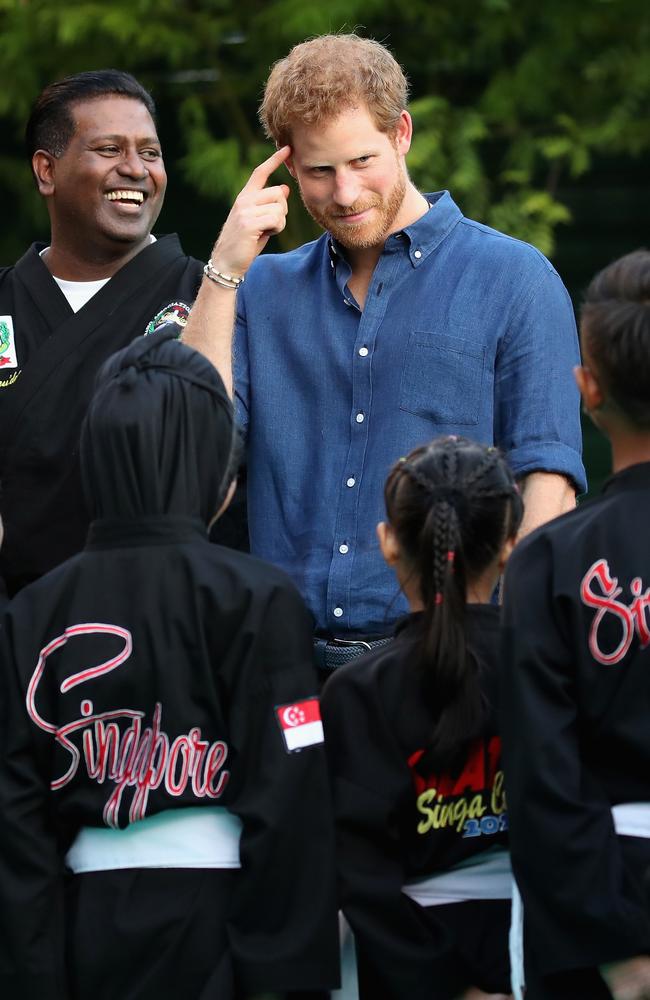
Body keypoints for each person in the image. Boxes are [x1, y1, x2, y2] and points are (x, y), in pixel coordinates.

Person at [182, 33, 585, 672]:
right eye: (319, 171)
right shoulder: (260, 289)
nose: (344, 194)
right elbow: (188, 451)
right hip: (279, 668)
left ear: (401, 133)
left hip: (451, 661)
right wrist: (223, 271)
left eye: (362, 160)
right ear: (289, 168)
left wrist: (511, 647)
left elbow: (550, 479)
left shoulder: (515, 278)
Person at [0, 329, 339, 1000]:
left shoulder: (31, 613)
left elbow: (16, 825)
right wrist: (281, 977)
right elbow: (291, 798)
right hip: (225, 932)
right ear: (218, 465)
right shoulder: (259, 600)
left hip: (77, 934)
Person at [320, 436, 522, 999]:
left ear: (388, 543)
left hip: (407, 968)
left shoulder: (357, 692)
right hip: (541, 952)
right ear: (508, 545)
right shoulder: (550, 666)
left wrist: (447, 986)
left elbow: (359, 874)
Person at [501, 249, 650, 1000]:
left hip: (598, 899)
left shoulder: (547, 562)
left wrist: (616, 949)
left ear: (588, 389)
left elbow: (540, 779)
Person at [0, 69, 205, 598]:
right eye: (109, 149)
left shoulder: (212, 296)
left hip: (169, 614)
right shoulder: (4, 301)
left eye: (151, 153)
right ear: (46, 171)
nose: (135, 169)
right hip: (18, 630)